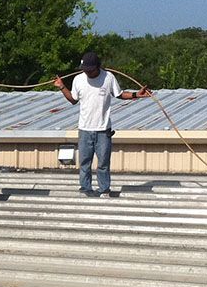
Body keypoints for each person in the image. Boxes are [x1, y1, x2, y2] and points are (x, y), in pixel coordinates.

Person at [54, 52, 150, 197]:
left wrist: (136, 95)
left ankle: (104, 188)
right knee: (85, 161)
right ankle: (85, 188)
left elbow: (119, 94)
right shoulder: (78, 79)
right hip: (85, 128)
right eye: (85, 69)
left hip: (103, 129)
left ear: (97, 67)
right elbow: (73, 100)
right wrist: (62, 87)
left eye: (90, 69)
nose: (87, 72)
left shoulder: (108, 77)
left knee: (103, 162)